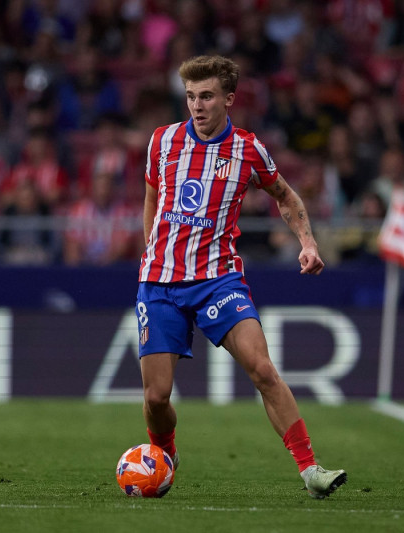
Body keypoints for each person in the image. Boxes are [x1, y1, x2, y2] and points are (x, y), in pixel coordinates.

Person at [135, 55, 347, 499]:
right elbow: (152, 197)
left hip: (219, 280)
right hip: (160, 283)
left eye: (207, 96)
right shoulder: (162, 141)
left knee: (263, 370)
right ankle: (164, 456)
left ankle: (311, 470)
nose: (197, 105)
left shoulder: (248, 149)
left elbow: (285, 197)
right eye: (191, 96)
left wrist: (307, 242)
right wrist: (149, 250)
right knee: (157, 398)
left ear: (229, 99)